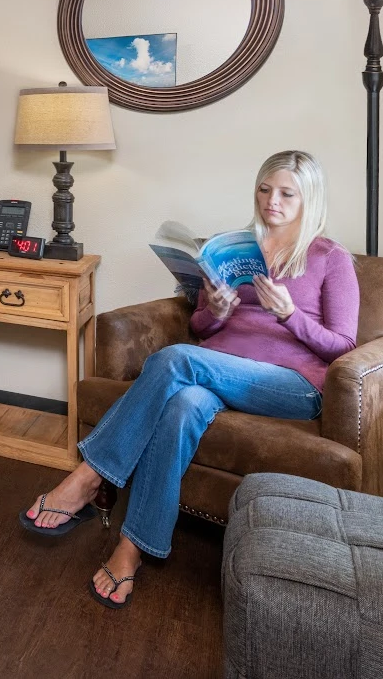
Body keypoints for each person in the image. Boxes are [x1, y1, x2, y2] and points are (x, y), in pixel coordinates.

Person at [20, 150, 358, 608]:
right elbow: (200, 327)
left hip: (290, 384)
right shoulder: (236, 249)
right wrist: (215, 311)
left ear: (310, 199)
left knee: (177, 359)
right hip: (219, 368)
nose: (271, 202)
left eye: (286, 194)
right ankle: (132, 548)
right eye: (264, 190)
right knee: (180, 409)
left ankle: (89, 474)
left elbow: (343, 346)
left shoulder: (330, 258)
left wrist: (290, 314)